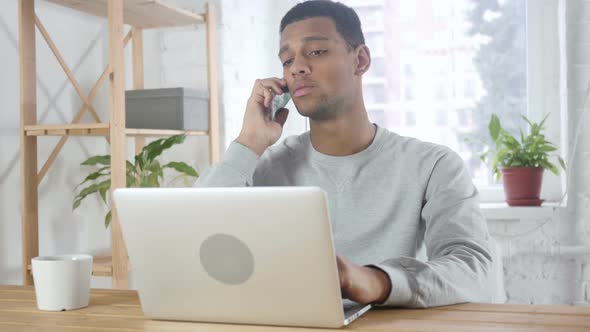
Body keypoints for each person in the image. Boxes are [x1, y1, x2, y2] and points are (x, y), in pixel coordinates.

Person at [196, 0, 495, 308]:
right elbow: (194, 238)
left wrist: (375, 279)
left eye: (316, 52)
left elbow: (474, 270)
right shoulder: (264, 167)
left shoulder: (432, 165)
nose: (297, 67)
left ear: (360, 60)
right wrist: (249, 142)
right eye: (287, 60)